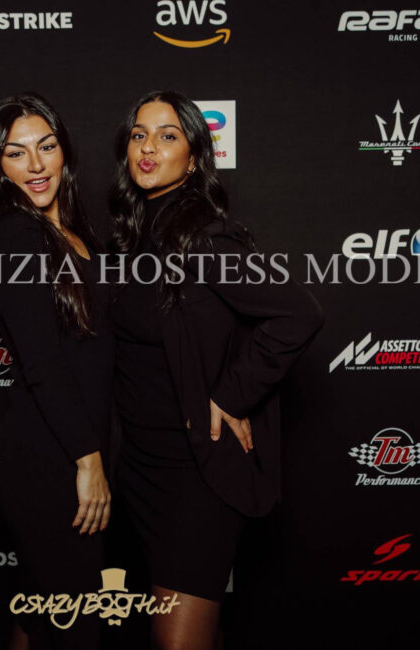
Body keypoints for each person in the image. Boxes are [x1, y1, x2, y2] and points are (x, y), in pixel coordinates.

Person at [107, 90, 324, 650]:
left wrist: (231, 395)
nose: (148, 148)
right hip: (136, 467)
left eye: (168, 136)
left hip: (193, 474)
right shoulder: (129, 236)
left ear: (195, 157)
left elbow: (298, 313)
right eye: (139, 135)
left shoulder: (206, 236)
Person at [0, 92, 114, 650]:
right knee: (71, 621)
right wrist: (88, 461)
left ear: (65, 151)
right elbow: (42, 360)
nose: (36, 165)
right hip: (49, 460)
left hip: (70, 449)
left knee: (42, 613)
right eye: (16, 153)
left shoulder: (77, 232)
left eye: (47, 147)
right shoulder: (17, 233)